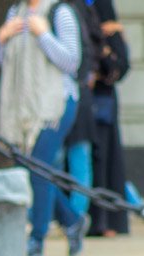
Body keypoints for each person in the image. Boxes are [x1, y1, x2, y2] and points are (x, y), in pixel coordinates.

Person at [0, 0, 87, 256]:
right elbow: (6, 64)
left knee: (38, 166)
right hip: (24, 106)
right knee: (32, 168)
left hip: (55, 105)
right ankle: (72, 220)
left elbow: (72, 62)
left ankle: (37, 238)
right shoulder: (15, 12)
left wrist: (44, 34)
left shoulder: (61, 12)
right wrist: (1, 40)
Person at [87, 0, 130, 237]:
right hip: (88, 99)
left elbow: (121, 66)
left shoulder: (108, 22)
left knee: (104, 158)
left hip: (102, 102)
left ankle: (105, 221)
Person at [59, 0, 102, 220]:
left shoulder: (67, 11)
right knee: (57, 161)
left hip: (75, 94)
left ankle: (74, 216)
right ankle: (71, 216)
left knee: (76, 157)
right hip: (68, 93)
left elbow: (76, 58)